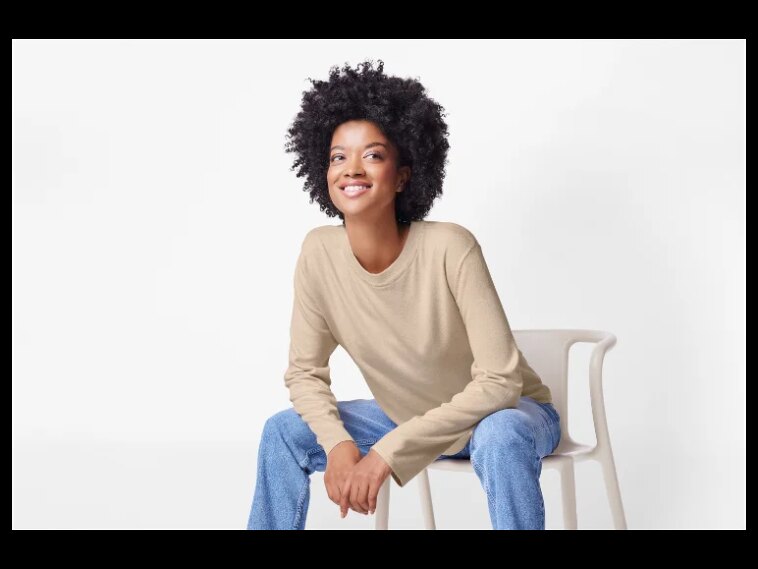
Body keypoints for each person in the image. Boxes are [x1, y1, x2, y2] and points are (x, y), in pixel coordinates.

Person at [246, 59, 561, 530]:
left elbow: (500, 383)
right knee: (284, 431)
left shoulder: (451, 246)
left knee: (500, 435)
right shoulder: (318, 253)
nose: (352, 169)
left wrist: (386, 453)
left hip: (504, 415)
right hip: (407, 416)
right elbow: (305, 373)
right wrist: (339, 444)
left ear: (403, 176)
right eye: (338, 157)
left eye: (372, 155)